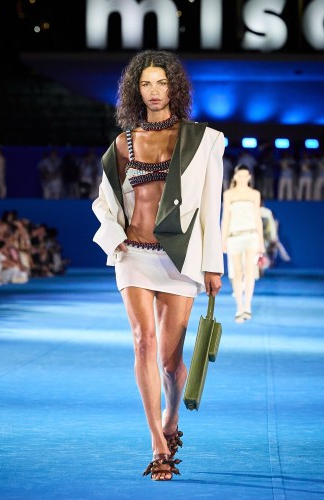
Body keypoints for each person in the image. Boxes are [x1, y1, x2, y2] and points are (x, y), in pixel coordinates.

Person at [92, 50, 225, 481]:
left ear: (174, 88)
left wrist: (213, 265)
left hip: (179, 259)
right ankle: (157, 442)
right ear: (136, 90)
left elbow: (211, 207)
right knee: (142, 342)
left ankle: (172, 417)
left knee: (170, 360)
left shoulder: (202, 140)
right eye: (146, 83)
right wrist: (114, 236)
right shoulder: (123, 143)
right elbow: (104, 201)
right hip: (133, 255)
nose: (154, 91)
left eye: (162, 83)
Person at [221, 165, 265, 323]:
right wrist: (222, 240)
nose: (242, 178)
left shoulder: (255, 194)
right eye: (239, 175)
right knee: (237, 273)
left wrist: (261, 242)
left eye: (245, 175)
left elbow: (258, 218)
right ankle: (239, 307)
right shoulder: (228, 194)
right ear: (235, 176)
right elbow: (225, 218)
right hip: (234, 237)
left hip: (251, 235)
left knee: (250, 271)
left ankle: (247, 307)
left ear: (249, 177)